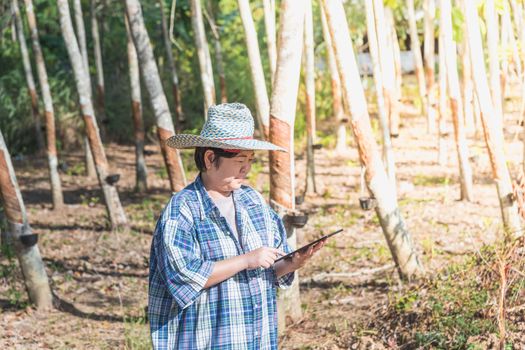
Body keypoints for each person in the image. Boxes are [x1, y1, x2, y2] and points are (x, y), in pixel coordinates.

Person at [148, 103, 325, 349]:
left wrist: (294, 262)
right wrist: (246, 260)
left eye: (250, 159)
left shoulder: (252, 201)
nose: (247, 168)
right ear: (210, 158)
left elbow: (267, 269)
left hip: (255, 336)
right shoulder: (184, 209)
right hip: (207, 339)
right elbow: (184, 276)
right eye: (240, 159)